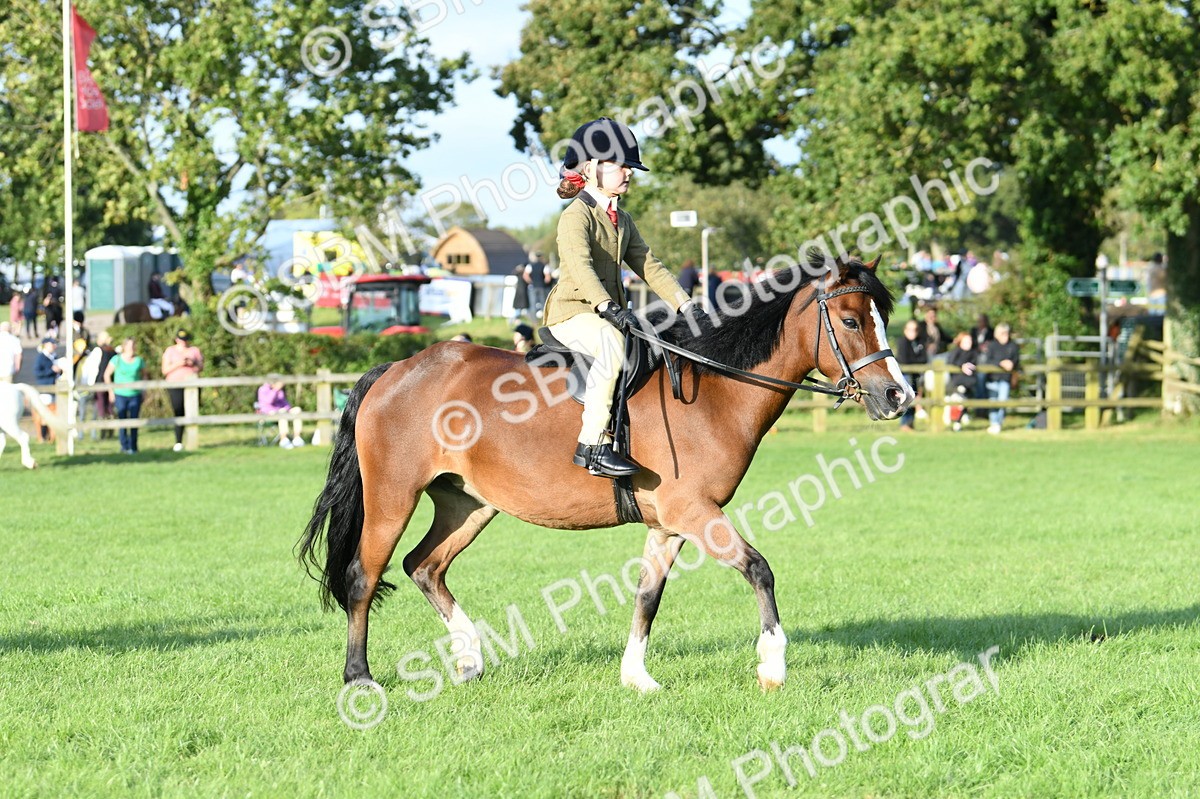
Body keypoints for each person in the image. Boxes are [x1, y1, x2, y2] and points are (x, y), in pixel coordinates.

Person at [544, 116, 695, 477]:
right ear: (592, 168)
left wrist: (687, 305)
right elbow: (580, 268)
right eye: (620, 165)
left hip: (605, 313)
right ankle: (593, 445)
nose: (628, 173)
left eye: (630, 167)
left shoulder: (622, 219)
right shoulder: (575, 216)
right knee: (612, 343)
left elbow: (649, 265)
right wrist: (608, 308)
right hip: (571, 315)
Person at [161, 329, 204, 452]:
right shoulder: (170, 351)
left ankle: (192, 440)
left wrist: (192, 364)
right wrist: (179, 364)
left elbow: (201, 367)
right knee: (178, 410)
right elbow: (165, 370)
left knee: (191, 412)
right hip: (175, 384)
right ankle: (178, 441)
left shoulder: (194, 350)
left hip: (191, 385)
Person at [105, 337, 144, 454]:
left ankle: (134, 446)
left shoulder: (139, 360)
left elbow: (144, 375)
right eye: (129, 346)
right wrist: (111, 391)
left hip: (135, 394)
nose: (131, 348)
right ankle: (124, 446)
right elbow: (107, 375)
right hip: (120, 394)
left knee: (134, 420)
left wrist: (144, 390)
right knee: (122, 419)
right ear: (124, 347)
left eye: (133, 345)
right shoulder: (116, 359)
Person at [983, 323, 1020, 434]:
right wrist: (1000, 364)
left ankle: (997, 423)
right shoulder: (992, 346)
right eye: (1002, 333)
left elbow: (1017, 361)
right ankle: (994, 423)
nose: (1005, 336)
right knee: (993, 402)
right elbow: (988, 361)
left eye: (1006, 333)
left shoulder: (1013, 346)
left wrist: (1011, 364)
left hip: (1005, 379)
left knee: (1003, 401)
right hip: (992, 379)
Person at [80, 332, 117, 439]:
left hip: (99, 383)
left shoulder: (98, 351)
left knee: (101, 408)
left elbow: (92, 368)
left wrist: (88, 383)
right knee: (109, 408)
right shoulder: (113, 352)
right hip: (111, 383)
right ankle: (109, 431)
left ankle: (103, 432)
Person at [894, 319, 925, 431]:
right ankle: (905, 423)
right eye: (910, 329)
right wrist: (917, 361)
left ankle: (911, 423)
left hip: (915, 375)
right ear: (905, 330)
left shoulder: (919, 342)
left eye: (915, 329)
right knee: (906, 398)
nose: (913, 332)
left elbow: (924, 358)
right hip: (905, 375)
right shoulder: (902, 342)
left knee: (914, 397)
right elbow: (904, 360)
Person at [257, 377, 306, 449]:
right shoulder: (263, 389)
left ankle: (297, 438)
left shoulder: (280, 391)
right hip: (267, 413)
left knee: (297, 410)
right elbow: (268, 401)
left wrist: (288, 409)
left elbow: (285, 403)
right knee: (282, 412)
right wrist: (275, 390)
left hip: (281, 412)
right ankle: (283, 439)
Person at [945, 332, 978, 431]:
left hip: (969, 383)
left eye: (970, 340)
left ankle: (959, 420)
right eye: (966, 341)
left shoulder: (973, 353)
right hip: (957, 381)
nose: (969, 343)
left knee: (966, 401)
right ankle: (955, 418)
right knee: (959, 399)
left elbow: (975, 364)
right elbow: (950, 363)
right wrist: (961, 366)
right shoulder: (956, 351)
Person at [33, 339, 62, 442]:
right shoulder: (41, 358)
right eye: (52, 344)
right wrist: (51, 370)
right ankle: (42, 436)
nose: (54, 346)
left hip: (54, 388)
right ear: (46, 345)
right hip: (45, 389)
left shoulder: (54, 357)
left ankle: (51, 436)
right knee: (43, 414)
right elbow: (37, 373)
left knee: (53, 413)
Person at [524, 251, 552, 316]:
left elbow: (525, 276)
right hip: (542, 287)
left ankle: (534, 321)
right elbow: (548, 278)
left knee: (533, 304)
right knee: (543, 304)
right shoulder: (545, 266)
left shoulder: (530, 265)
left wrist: (531, 282)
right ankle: (544, 320)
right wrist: (543, 283)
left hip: (533, 286)